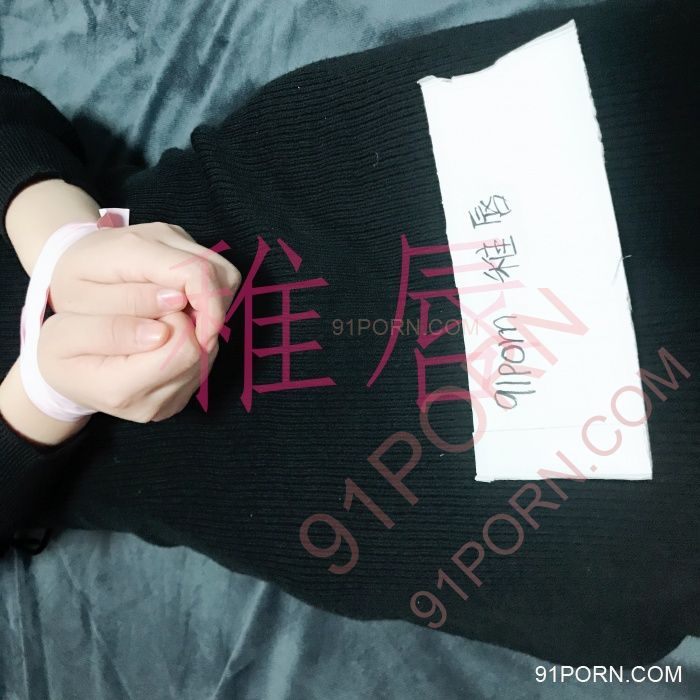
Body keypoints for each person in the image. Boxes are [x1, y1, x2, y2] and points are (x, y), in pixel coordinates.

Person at [0, 0, 697, 667]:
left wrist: (59, 243)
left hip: (288, 199)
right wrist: (42, 392)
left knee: (643, 115)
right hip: (292, 470)